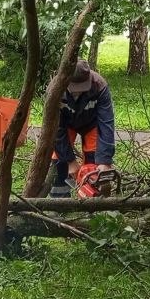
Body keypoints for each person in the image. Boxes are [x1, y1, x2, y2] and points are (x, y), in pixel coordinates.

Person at [50, 60, 116, 197]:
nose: (78, 93)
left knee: (94, 159)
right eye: (75, 89)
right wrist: (70, 161)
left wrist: (104, 161)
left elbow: (106, 122)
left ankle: (90, 198)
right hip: (65, 124)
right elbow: (56, 129)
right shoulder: (55, 90)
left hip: (91, 122)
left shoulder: (99, 85)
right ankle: (58, 200)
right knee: (58, 157)